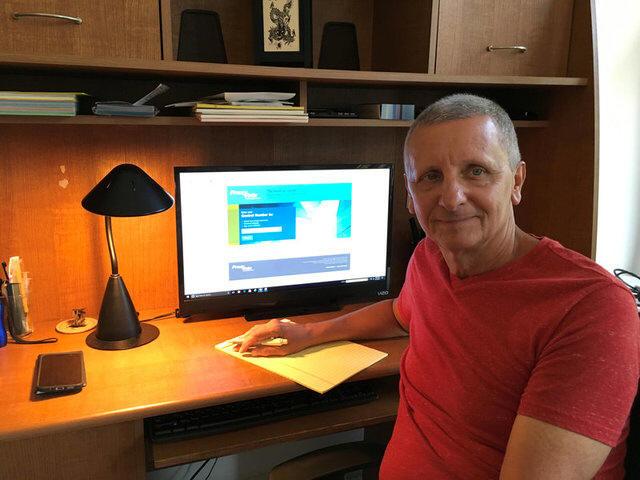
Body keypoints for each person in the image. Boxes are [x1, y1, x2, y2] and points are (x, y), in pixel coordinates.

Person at [235, 94, 640, 479]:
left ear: (516, 181)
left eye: (476, 171)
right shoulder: (430, 257)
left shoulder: (591, 308)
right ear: (410, 197)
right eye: (430, 177)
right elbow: (399, 315)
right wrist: (308, 333)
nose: (451, 198)